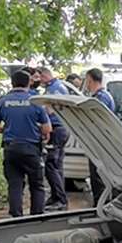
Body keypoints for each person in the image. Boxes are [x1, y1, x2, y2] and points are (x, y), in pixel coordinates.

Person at [0, 69, 52, 217]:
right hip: (31, 149)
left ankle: (16, 217)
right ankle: (36, 217)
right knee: (37, 185)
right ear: (29, 83)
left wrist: (8, 129)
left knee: (15, 184)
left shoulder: (2, 101)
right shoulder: (35, 101)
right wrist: (34, 128)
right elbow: (47, 128)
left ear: (12, 83)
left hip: (10, 148)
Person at [37, 66, 70, 211]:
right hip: (62, 129)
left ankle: (61, 199)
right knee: (57, 166)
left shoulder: (54, 89)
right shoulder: (59, 86)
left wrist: (38, 112)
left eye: (40, 78)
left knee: (51, 165)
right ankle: (57, 196)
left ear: (44, 76)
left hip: (56, 129)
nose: (39, 82)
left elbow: (50, 110)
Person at [84, 68, 114, 203]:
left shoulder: (100, 98)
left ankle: (100, 205)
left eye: (87, 81)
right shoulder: (103, 96)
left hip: (100, 142)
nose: (86, 84)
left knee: (98, 177)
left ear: (90, 80)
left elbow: (95, 120)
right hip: (101, 141)